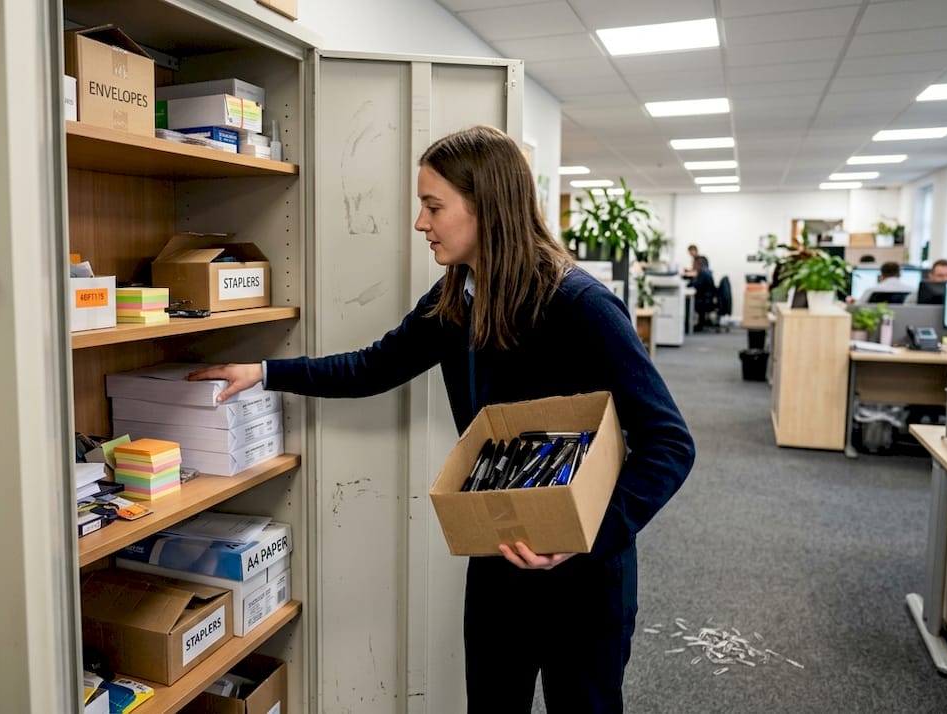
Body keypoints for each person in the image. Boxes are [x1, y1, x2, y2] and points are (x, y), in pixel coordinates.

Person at [187, 125, 695, 712]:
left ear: (489, 208)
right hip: (499, 557)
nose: (419, 223)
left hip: (584, 574)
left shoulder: (581, 306)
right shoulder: (456, 297)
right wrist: (268, 372)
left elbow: (669, 444)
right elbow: (372, 367)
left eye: (433, 206)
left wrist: (589, 538)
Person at [688, 255, 718, 329]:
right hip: (707, 298)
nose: (693, 266)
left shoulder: (703, 273)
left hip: (704, 300)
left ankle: (689, 325)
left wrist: (693, 278)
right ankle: (700, 322)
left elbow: (695, 285)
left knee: (687, 302)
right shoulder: (706, 271)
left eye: (694, 264)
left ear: (699, 264)